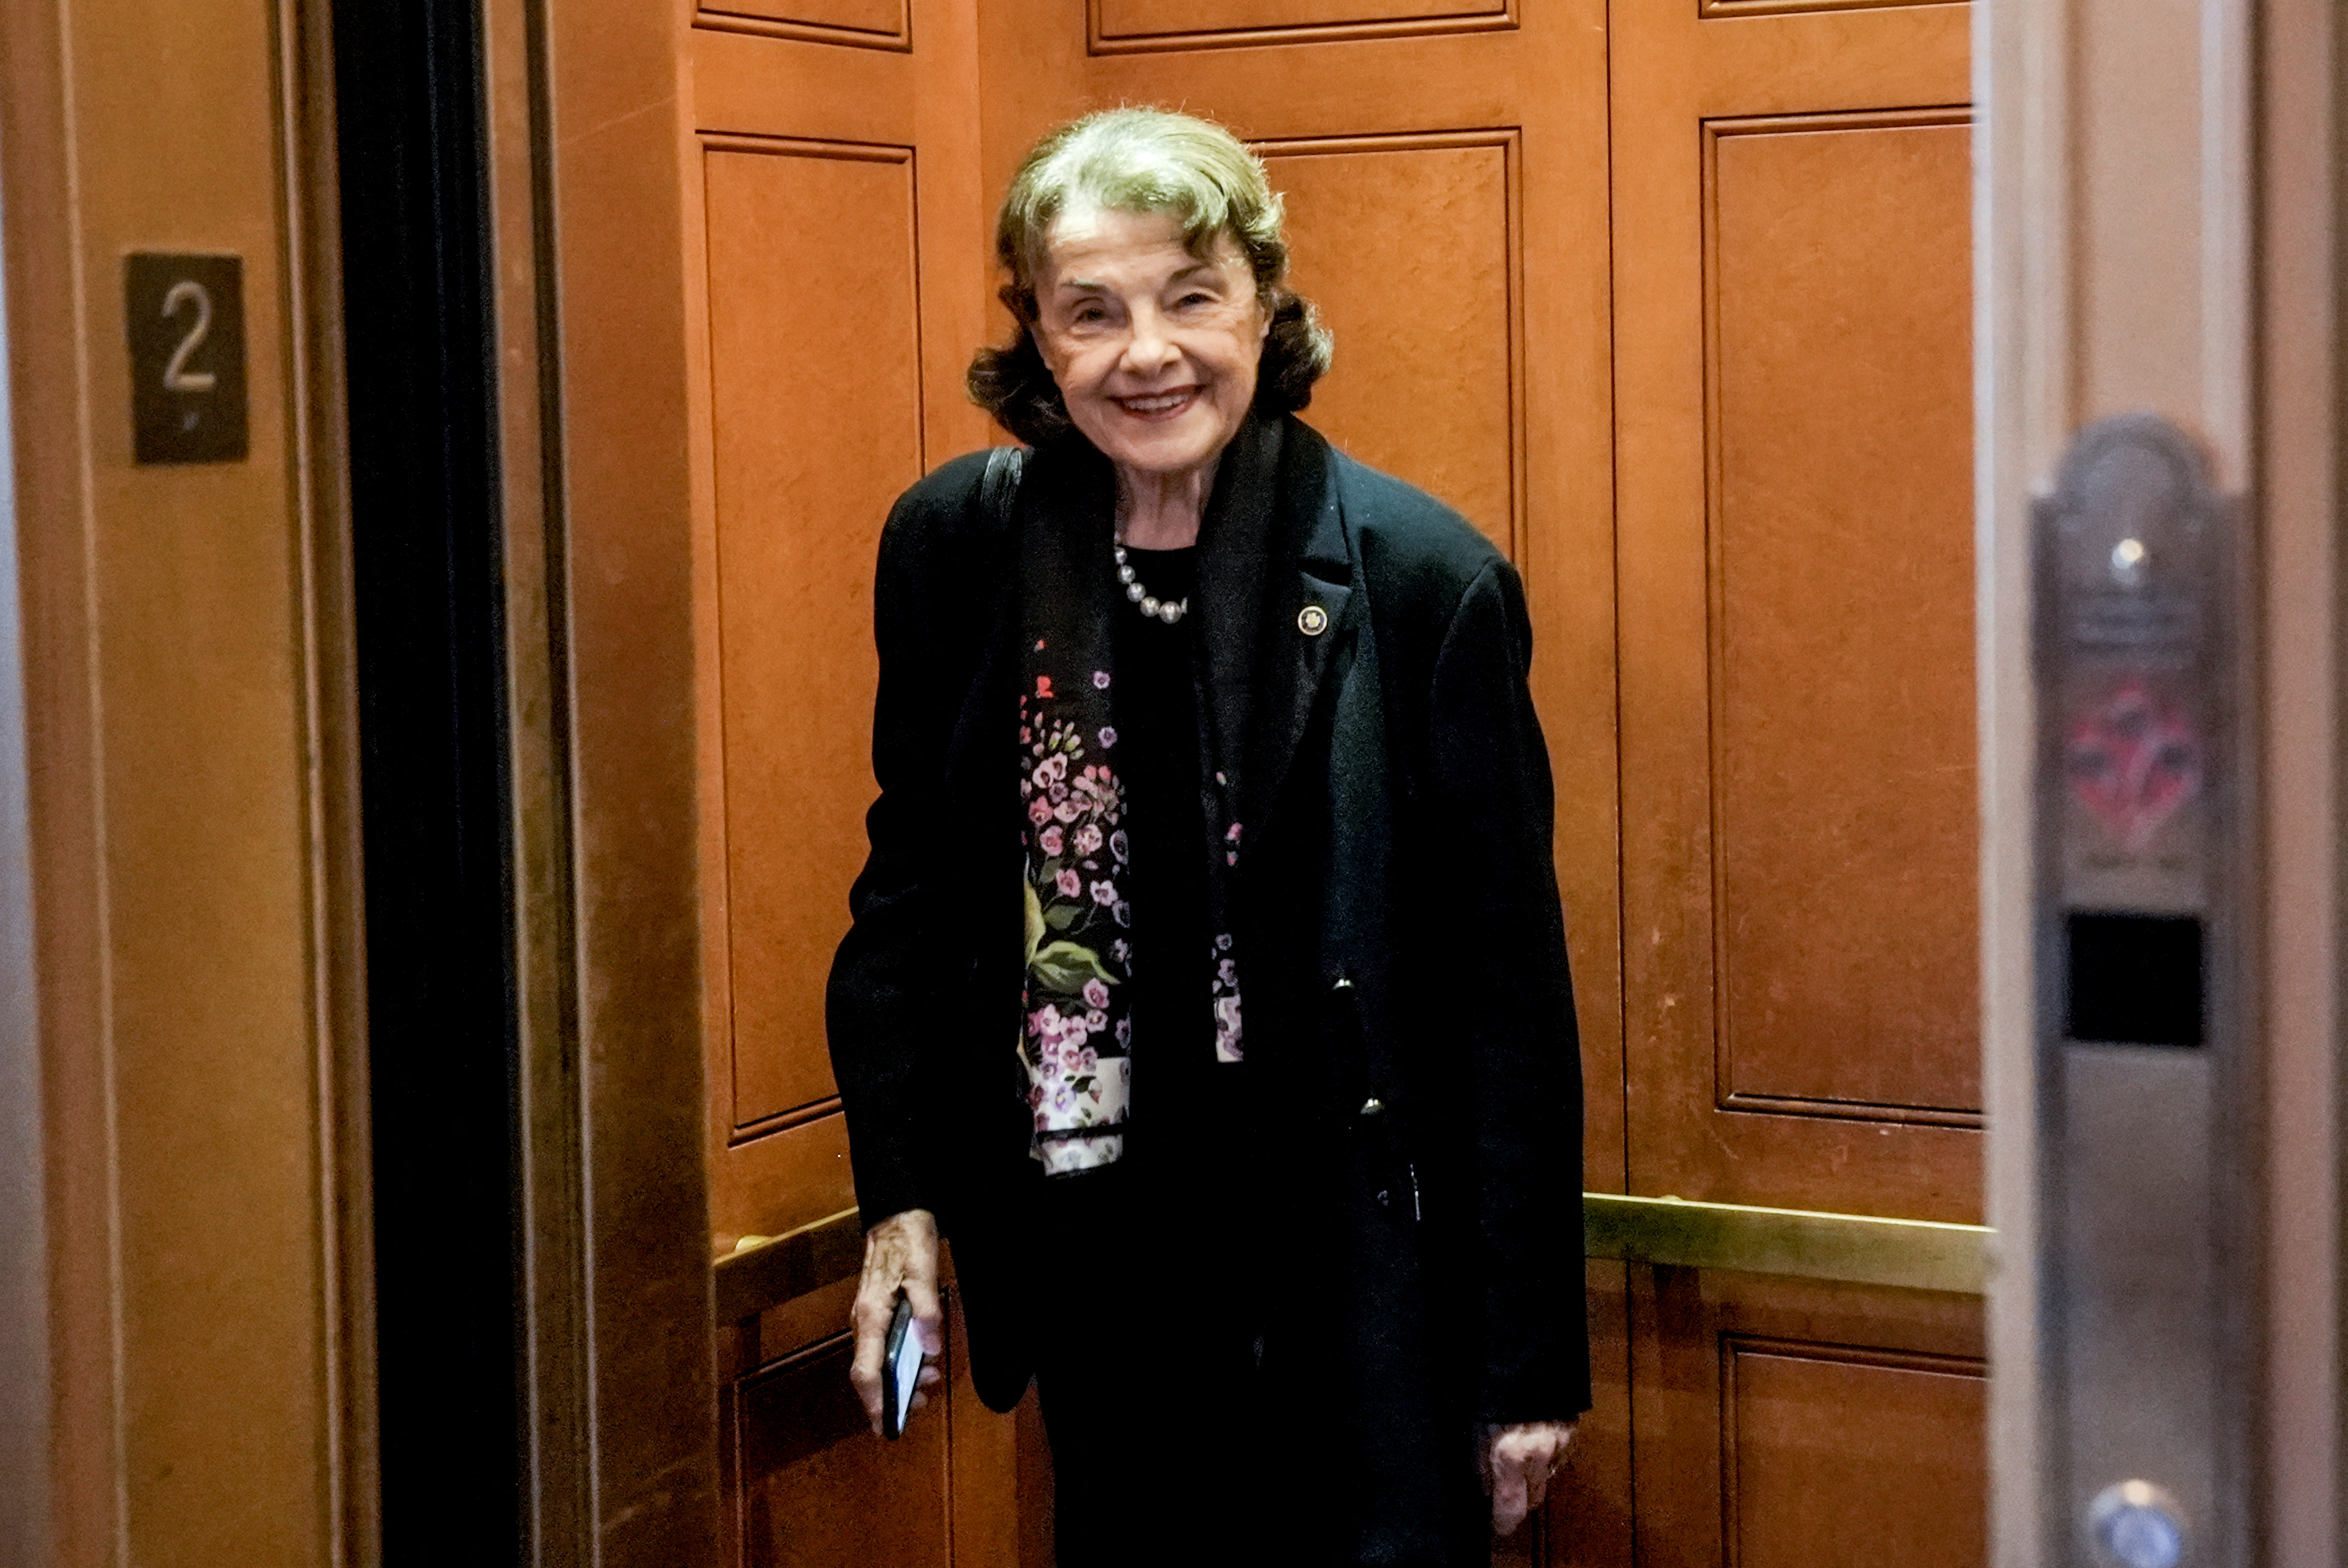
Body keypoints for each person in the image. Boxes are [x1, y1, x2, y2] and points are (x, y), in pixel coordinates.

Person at [827, 106, 1587, 1567]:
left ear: (1266, 306)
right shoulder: (960, 551)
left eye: (1191, 297)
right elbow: (911, 897)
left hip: (1363, 1284)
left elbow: (1507, 997)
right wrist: (902, 1196)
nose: (1147, 354)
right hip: (1099, 1268)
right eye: (1092, 312)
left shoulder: (1424, 578)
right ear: (1039, 341)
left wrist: (1527, 1368)